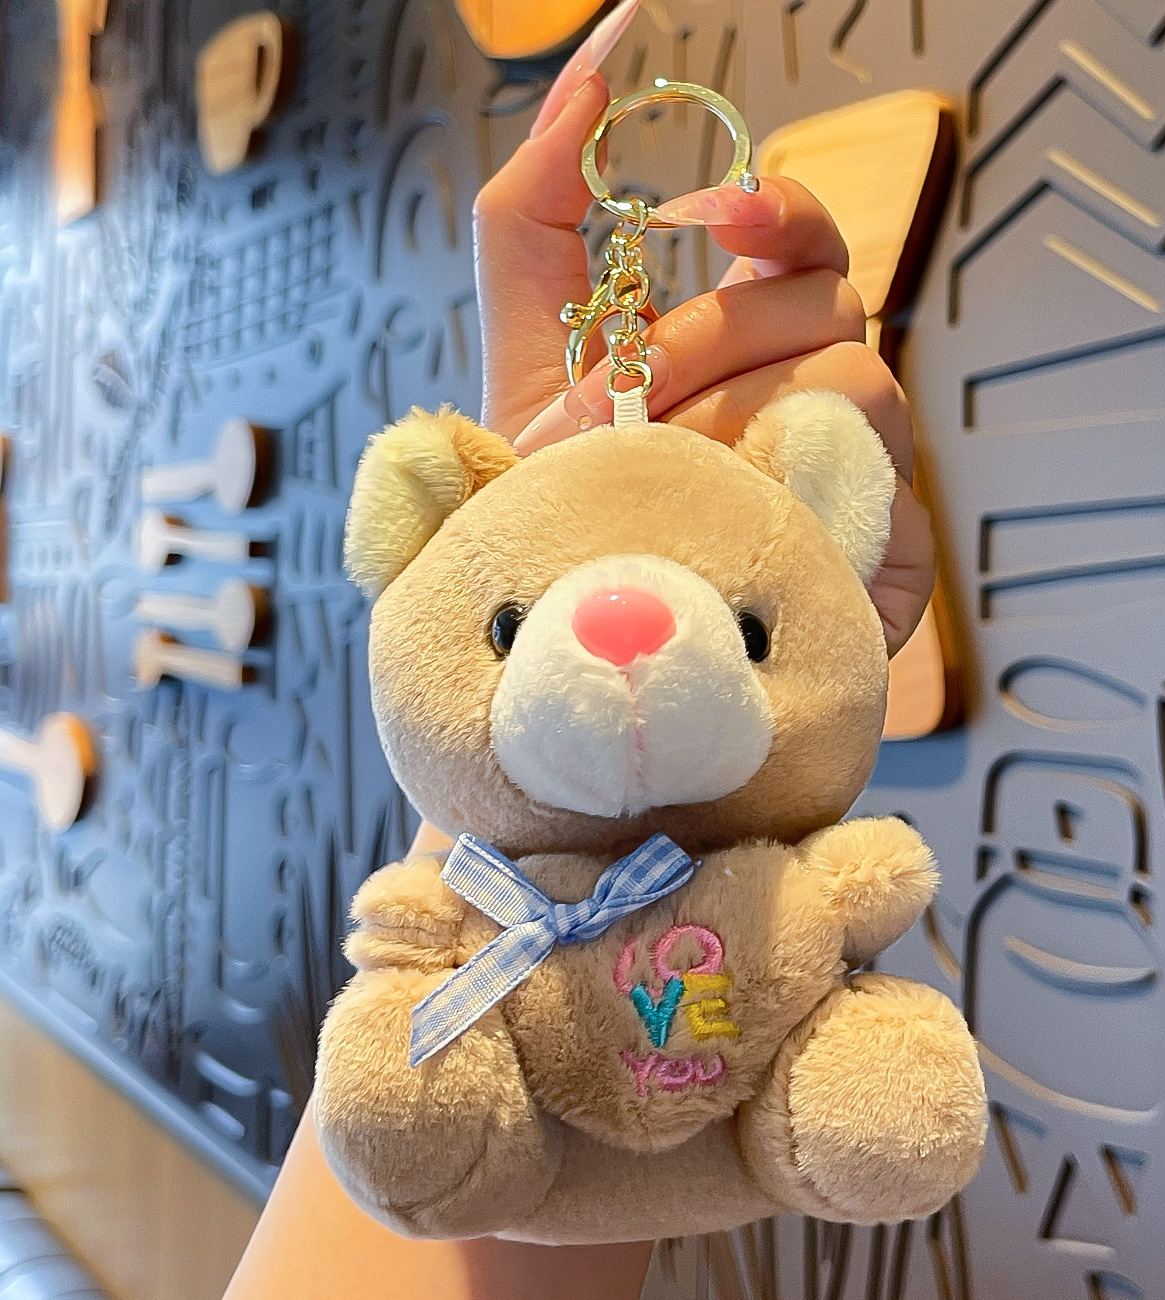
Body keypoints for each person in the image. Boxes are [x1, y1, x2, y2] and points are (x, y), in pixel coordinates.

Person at [223, 2, 932, 1295]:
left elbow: (866, 884)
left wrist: (776, 675)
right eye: (508, 627)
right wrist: (519, 723)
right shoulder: (472, 913)